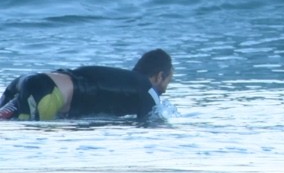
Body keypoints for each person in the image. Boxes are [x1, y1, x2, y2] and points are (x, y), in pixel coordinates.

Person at [0, 48, 173, 122]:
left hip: (30, 84)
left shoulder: (123, 81)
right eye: (168, 82)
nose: (164, 90)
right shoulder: (148, 90)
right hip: (46, 92)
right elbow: (150, 126)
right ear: (159, 76)